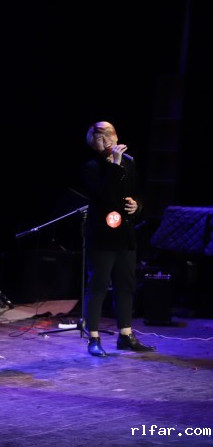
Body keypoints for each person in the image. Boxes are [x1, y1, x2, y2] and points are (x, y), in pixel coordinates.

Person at [81, 121, 155, 356]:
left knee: (126, 285)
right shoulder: (92, 167)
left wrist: (137, 205)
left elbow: (138, 193)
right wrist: (114, 164)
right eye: (100, 137)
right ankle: (93, 337)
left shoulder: (129, 163)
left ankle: (125, 335)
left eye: (109, 134)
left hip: (125, 234)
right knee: (98, 286)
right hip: (102, 235)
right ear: (93, 143)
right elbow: (104, 195)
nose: (107, 140)